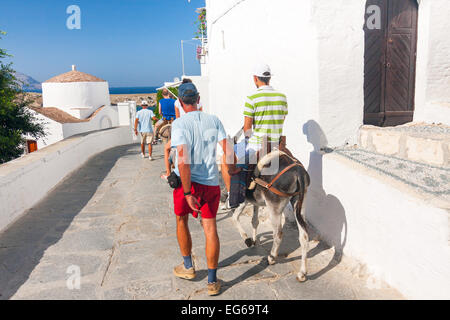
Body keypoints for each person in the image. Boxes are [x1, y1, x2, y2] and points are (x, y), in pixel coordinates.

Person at [170, 82, 236, 296]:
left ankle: (188, 267)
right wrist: (233, 173)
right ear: (198, 99)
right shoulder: (214, 120)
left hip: (186, 184)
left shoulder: (179, 124)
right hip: (209, 183)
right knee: (210, 229)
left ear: (180, 102)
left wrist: (188, 193)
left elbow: (182, 160)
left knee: (182, 220)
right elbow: (228, 150)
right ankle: (212, 282)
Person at [221, 63, 291, 208]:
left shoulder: (252, 97)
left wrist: (249, 137)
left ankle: (230, 196)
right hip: (276, 144)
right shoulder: (282, 97)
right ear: (269, 78)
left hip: (258, 144)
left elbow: (247, 128)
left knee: (225, 157)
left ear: (255, 79)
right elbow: (282, 120)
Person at [161, 79, 204, 181]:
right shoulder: (199, 102)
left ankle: (168, 173)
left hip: (182, 131)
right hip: (196, 130)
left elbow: (177, 119)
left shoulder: (177, 102)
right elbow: (200, 117)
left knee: (167, 148)